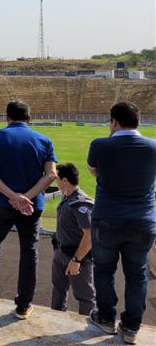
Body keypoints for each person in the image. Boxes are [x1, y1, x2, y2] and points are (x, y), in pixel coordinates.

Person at [0, 100, 57, 320]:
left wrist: (13, 196)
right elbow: (51, 174)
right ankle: (24, 305)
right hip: (32, 206)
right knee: (29, 251)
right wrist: (26, 197)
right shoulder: (44, 140)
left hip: (1, 203)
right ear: (29, 118)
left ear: (7, 117)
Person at [87, 101, 156, 345]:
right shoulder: (153, 147)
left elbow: (93, 171)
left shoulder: (100, 145)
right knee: (137, 274)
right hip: (143, 220)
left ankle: (105, 318)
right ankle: (131, 327)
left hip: (107, 218)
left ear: (114, 121)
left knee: (104, 269)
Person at [51, 163, 95, 315]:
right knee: (58, 290)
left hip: (76, 257)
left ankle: (86, 332)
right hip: (61, 253)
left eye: (56, 179)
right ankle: (55, 321)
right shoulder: (67, 197)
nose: (54, 182)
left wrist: (77, 260)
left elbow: (89, 235)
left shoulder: (80, 203)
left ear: (64, 181)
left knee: (85, 297)